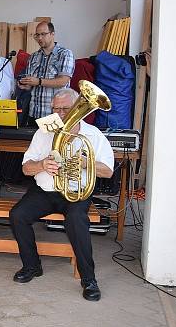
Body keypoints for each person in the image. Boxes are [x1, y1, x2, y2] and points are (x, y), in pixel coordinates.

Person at [9, 88, 113, 301]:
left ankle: (89, 279)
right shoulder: (44, 131)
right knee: (18, 215)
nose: (59, 113)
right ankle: (31, 266)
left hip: (76, 192)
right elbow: (26, 168)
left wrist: (84, 162)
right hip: (45, 191)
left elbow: (108, 171)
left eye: (65, 108)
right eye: (55, 108)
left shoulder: (93, 134)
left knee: (76, 221)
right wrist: (41, 164)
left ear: (78, 108)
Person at [18, 22, 75, 120]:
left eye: (43, 34)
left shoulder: (65, 54)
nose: (39, 38)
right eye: (37, 35)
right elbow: (31, 86)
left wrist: (38, 81)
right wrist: (26, 85)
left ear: (52, 34)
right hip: (34, 114)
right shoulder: (33, 57)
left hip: (55, 115)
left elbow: (63, 81)